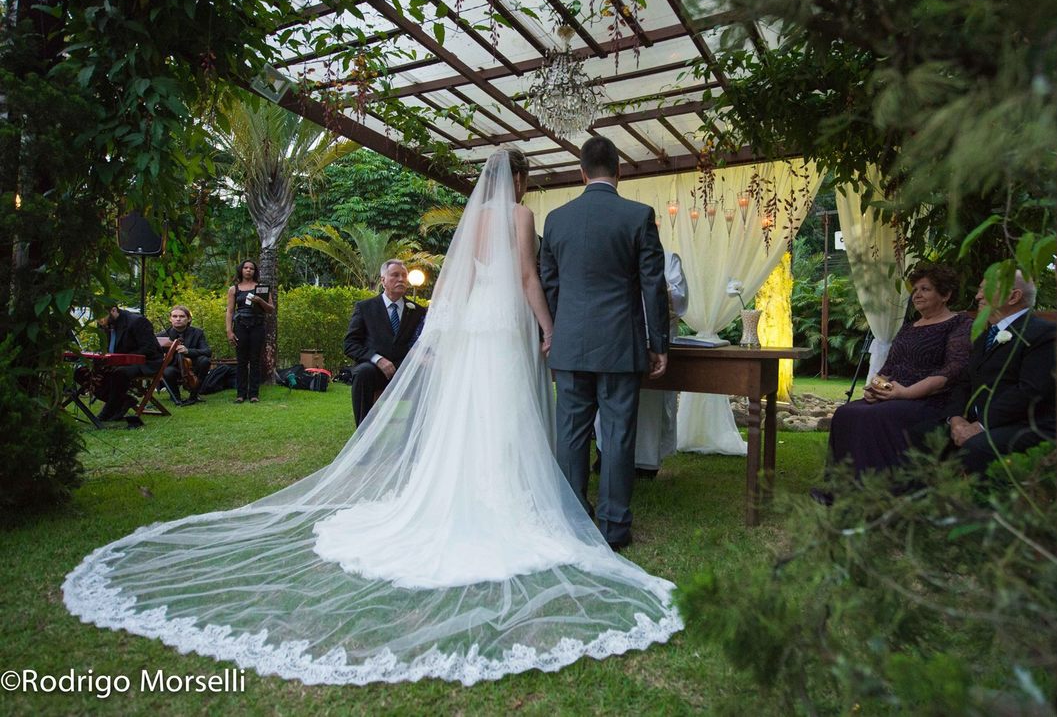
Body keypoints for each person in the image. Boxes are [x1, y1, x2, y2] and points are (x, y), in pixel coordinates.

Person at [62, 147, 681, 687]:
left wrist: (450, 336)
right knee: (518, 415)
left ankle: (484, 492)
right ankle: (550, 506)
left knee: (477, 419)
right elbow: (525, 275)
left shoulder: (479, 225)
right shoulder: (523, 217)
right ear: (518, 181)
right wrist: (545, 326)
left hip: (475, 332)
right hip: (512, 330)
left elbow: (457, 289)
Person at [540, 135, 670, 551]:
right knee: (616, 436)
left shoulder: (556, 220)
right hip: (620, 344)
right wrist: (659, 343)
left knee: (572, 434)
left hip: (571, 345)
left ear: (581, 173)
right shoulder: (638, 216)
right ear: (619, 171)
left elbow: (550, 284)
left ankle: (572, 520)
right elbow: (654, 286)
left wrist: (559, 330)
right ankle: (614, 528)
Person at [828, 264, 972, 475]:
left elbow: (951, 372)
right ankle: (843, 486)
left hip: (929, 400)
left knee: (877, 415)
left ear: (946, 294)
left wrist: (905, 393)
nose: (917, 295)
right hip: (893, 394)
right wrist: (873, 388)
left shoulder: (959, 324)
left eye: (925, 289)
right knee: (845, 413)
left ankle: (880, 487)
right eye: (915, 290)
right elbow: (889, 367)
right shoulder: (909, 328)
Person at [945, 270, 1056, 473]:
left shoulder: (1042, 334)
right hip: (980, 422)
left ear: (1014, 296)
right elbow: (965, 382)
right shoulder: (986, 335)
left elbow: (1030, 391)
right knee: (922, 432)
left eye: (985, 289)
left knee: (977, 447)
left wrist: (980, 426)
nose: (978, 296)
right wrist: (955, 418)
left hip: (1025, 425)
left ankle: (979, 504)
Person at [596, 252, 688, 479]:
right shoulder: (615, 253)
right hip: (619, 335)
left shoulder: (668, 258)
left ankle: (646, 464)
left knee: (651, 403)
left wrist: (657, 285)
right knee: (612, 396)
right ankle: (605, 455)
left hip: (654, 337)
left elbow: (680, 301)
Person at [343, 260, 427, 426]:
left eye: (404, 275)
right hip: (376, 372)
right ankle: (364, 435)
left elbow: (425, 342)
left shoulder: (418, 311)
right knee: (362, 373)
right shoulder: (365, 308)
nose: (401, 279)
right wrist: (377, 359)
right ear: (383, 280)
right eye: (395, 275)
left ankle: (412, 440)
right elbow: (350, 344)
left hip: (406, 370)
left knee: (428, 374)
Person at [94, 305, 164, 422]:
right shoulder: (104, 324)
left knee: (119, 373)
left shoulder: (137, 322)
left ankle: (108, 411)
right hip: (116, 362)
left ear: (114, 310)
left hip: (144, 362)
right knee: (83, 372)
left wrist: (123, 359)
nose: (99, 321)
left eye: (101, 317)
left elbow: (149, 348)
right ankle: (124, 400)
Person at [225, 259, 275, 404]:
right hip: (240, 325)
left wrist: (260, 301)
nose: (248, 270)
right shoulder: (234, 289)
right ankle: (240, 394)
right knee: (241, 361)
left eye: (251, 268)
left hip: (257, 326)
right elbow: (229, 311)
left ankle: (254, 394)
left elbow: (270, 309)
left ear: (255, 271)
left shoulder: (261, 288)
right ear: (241, 270)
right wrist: (229, 331)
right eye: (246, 268)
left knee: (255, 360)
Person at [157, 305, 211, 405]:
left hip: (192, 366)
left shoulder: (197, 333)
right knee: (167, 371)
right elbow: (154, 355)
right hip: (173, 366)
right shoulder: (161, 335)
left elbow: (207, 351)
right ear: (170, 319)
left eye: (182, 316)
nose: (178, 319)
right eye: (175, 316)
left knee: (205, 361)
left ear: (188, 319)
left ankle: (194, 395)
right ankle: (175, 397)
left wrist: (188, 351)